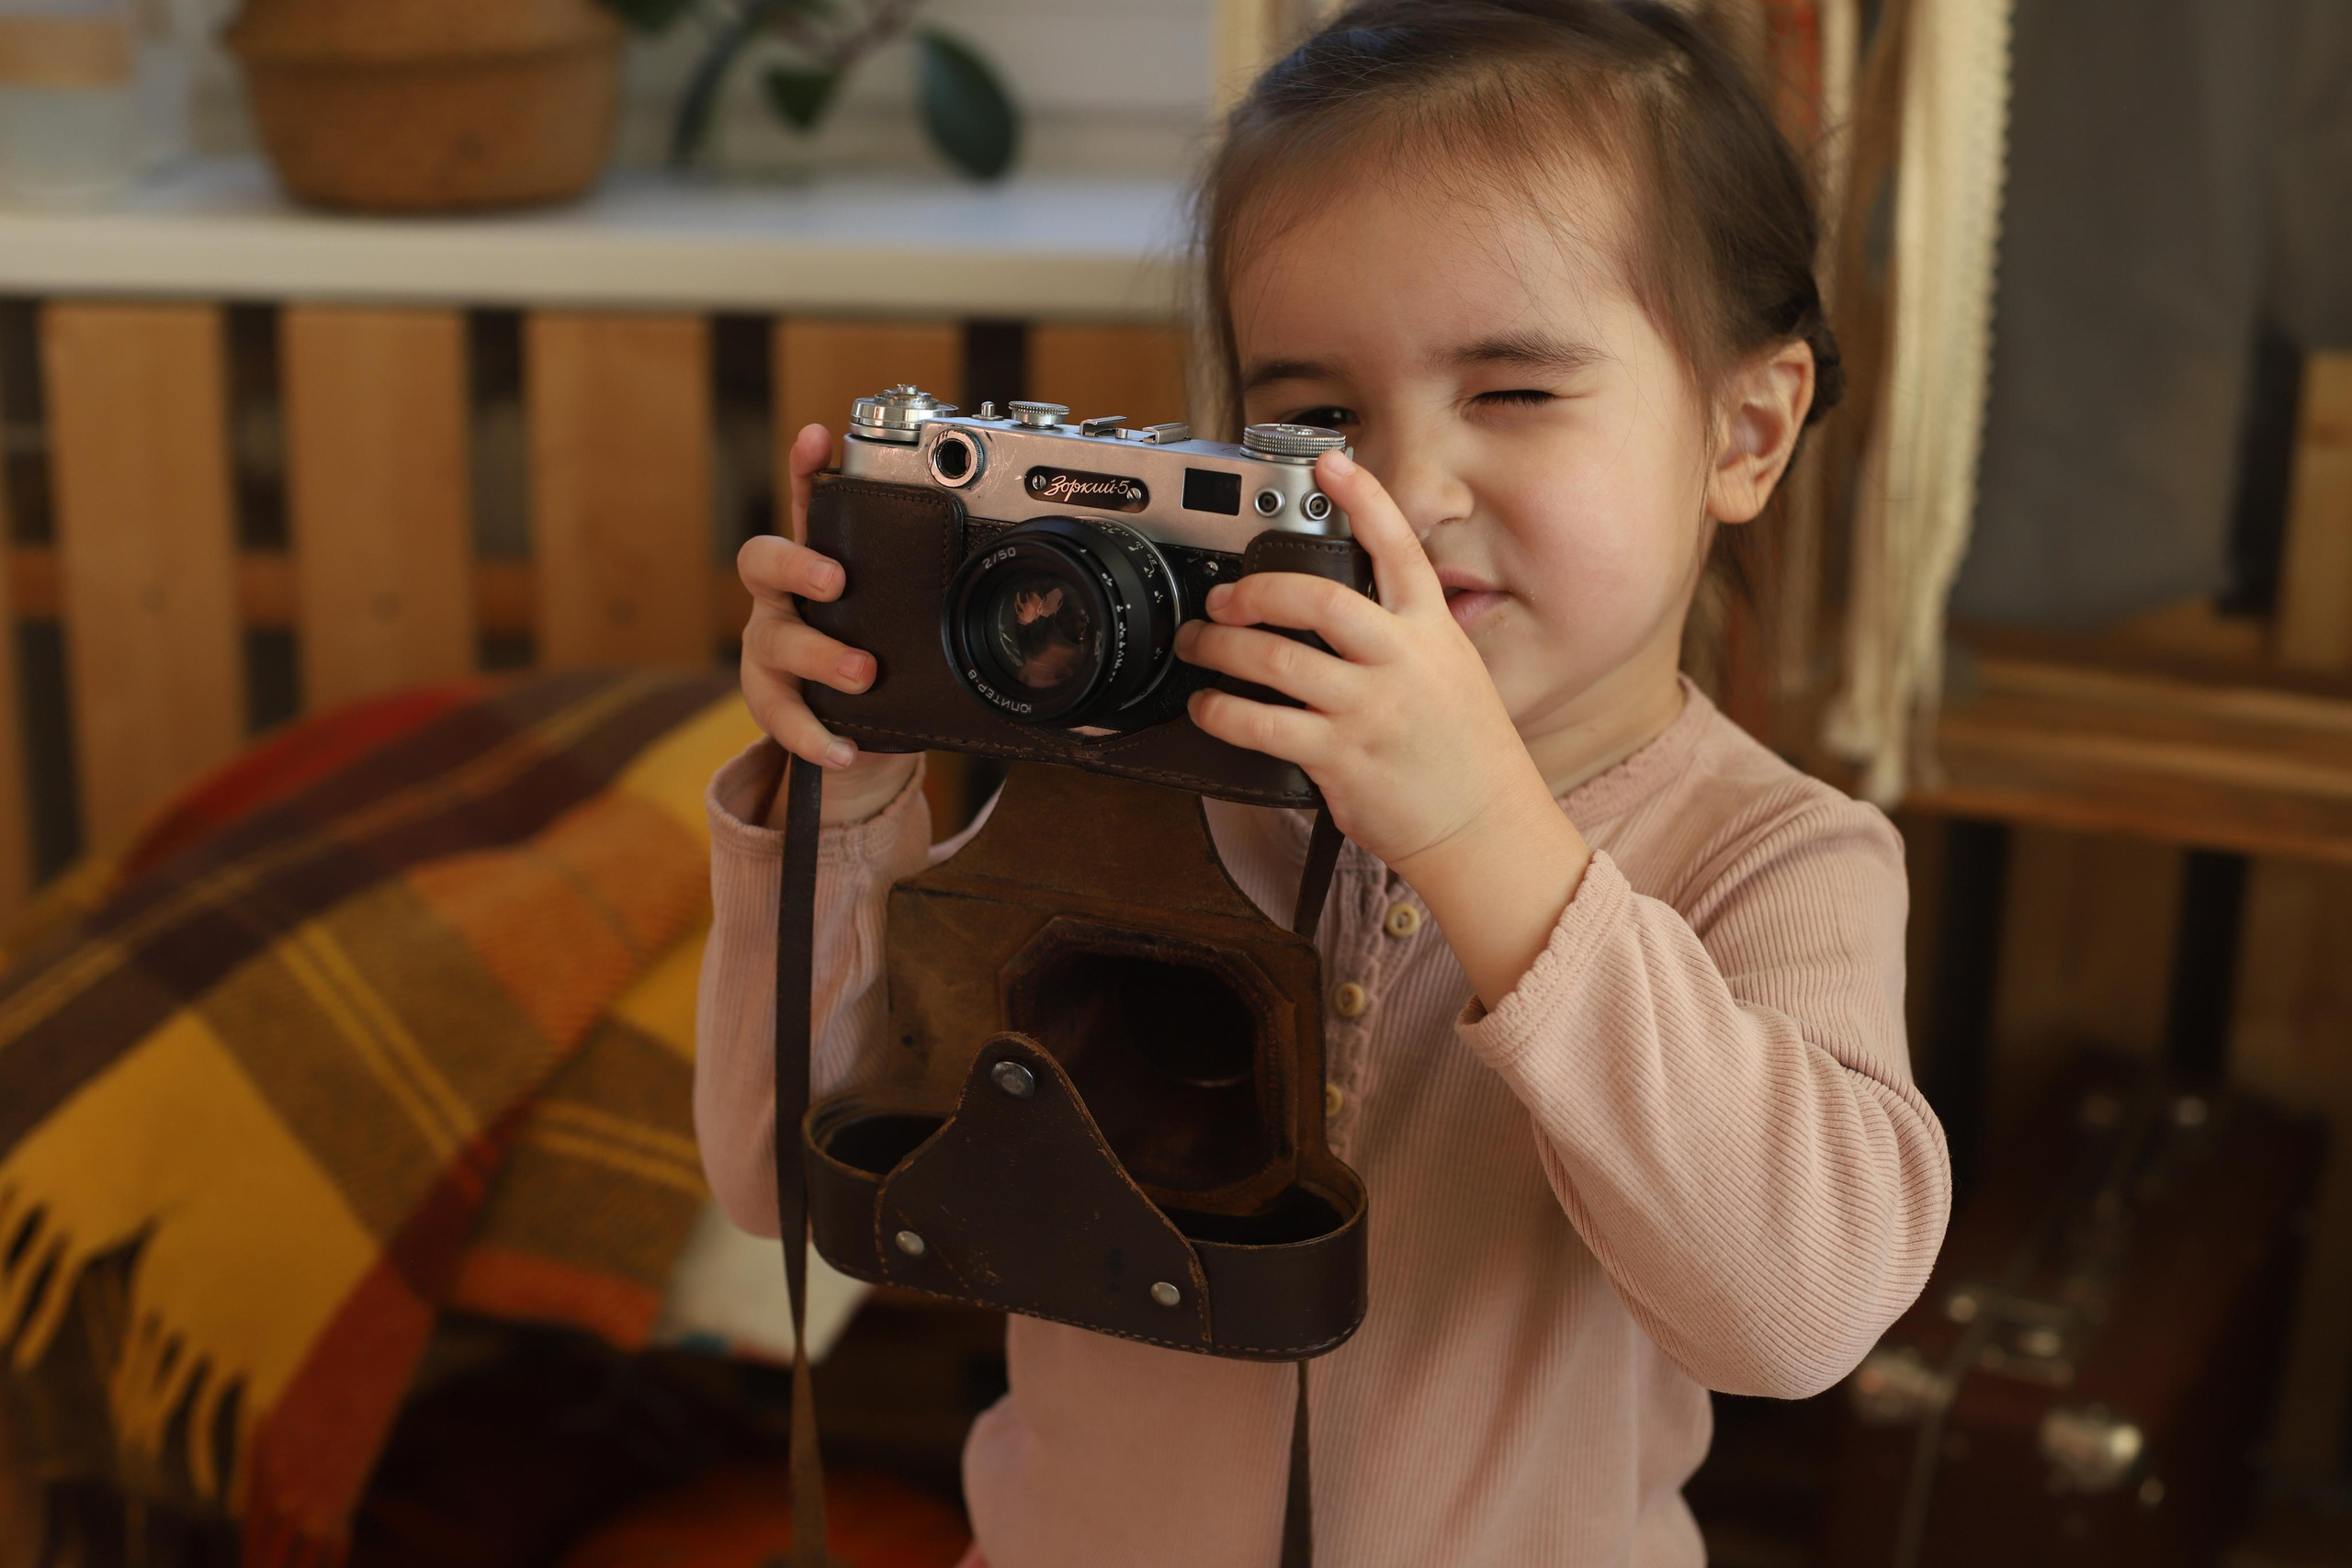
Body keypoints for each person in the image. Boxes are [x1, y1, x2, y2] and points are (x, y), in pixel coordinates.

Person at [696, 2, 1952, 1562]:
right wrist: (851, 777)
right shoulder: (1143, 782)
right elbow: (773, 1178)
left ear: (1746, 432)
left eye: (1512, 392)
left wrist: (1481, 833)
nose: (1405, 493)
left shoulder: (1775, 858)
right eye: (1316, 420)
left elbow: (1801, 1315)